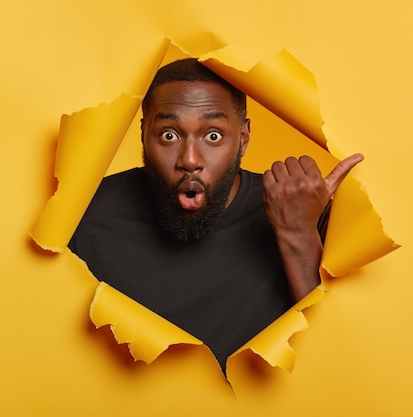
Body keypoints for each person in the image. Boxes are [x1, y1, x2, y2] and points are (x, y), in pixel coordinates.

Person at [69, 58, 363, 371]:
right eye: (169, 135)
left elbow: (340, 366)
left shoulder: (306, 214)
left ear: (244, 138)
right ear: (144, 133)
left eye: (213, 136)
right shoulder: (84, 212)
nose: (190, 160)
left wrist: (297, 233)